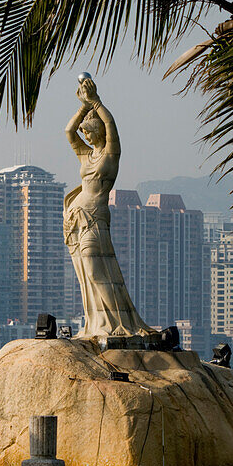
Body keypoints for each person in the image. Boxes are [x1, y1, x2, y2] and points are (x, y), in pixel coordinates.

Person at [64, 76, 154, 339]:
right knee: (85, 275)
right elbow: (69, 131)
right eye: (85, 133)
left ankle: (116, 323)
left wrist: (96, 102)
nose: (85, 136)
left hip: (94, 219)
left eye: (89, 131)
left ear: (99, 131)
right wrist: (83, 106)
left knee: (95, 268)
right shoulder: (86, 154)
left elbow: (111, 124)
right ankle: (98, 323)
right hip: (76, 221)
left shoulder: (110, 155)